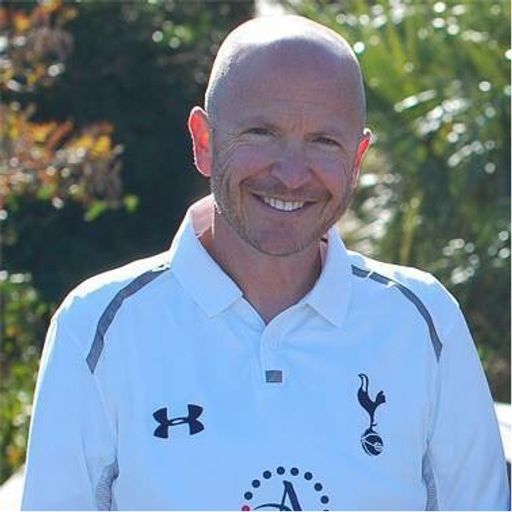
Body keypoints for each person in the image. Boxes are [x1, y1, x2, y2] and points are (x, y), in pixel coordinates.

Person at [21, 15, 509, 511]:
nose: (293, 175)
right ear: (204, 141)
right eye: (262, 132)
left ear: (357, 158)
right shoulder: (98, 327)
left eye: (324, 141)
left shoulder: (423, 322)